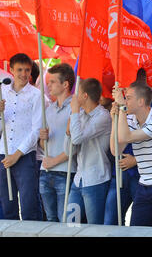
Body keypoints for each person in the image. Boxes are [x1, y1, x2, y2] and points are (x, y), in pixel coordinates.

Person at [111, 81, 152, 227]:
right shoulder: (128, 119)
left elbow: (126, 137)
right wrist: (114, 120)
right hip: (144, 183)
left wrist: (122, 108)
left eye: (128, 98)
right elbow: (115, 150)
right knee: (136, 230)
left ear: (141, 101)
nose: (125, 100)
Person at [0, 53, 43, 221]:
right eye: (19, 70)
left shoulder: (36, 95)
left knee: (29, 205)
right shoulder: (2, 92)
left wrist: (17, 154)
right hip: (3, 154)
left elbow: (36, 129)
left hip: (24, 156)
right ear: (11, 70)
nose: (23, 74)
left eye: (27, 70)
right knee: (7, 206)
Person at [66, 78, 112, 224]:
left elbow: (78, 138)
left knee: (94, 227)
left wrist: (73, 112)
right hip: (78, 179)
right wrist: (68, 133)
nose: (74, 97)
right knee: (70, 225)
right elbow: (69, 150)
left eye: (77, 93)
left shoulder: (103, 116)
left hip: (95, 180)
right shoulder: (79, 115)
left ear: (85, 96)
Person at [38, 63, 77, 222]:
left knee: (66, 222)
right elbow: (43, 146)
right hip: (45, 171)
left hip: (65, 172)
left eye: (53, 81)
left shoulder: (75, 108)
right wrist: (42, 138)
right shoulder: (49, 109)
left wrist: (54, 161)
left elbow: (76, 144)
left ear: (65, 84)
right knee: (50, 220)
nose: (48, 84)